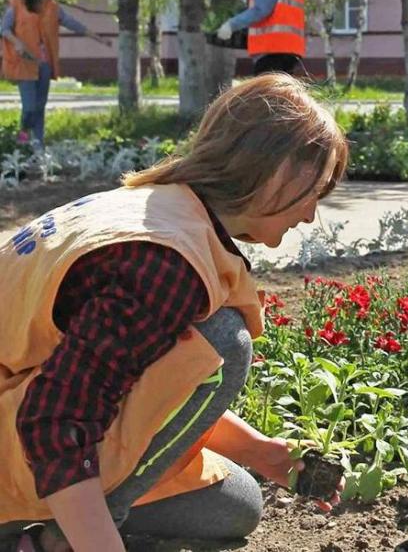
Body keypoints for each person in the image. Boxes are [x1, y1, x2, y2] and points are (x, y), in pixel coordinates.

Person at [0, 73, 348, 552]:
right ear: (273, 171)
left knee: (235, 504)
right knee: (224, 343)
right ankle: (50, 542)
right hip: (28, 440)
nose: (310, 214)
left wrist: (260, 454)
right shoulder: (163, 261)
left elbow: (139, 385)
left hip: (18, 419)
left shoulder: (165, 214)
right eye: (314, 190)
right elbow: (54, 420)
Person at [1, 0, 112, 150]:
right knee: (29, 108)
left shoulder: (53, 7)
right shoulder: (18, 2)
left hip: (44, 64)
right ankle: (22, 140)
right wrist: (17, 42)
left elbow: (73, 24)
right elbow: (3, 28)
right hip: (24, 63)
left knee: (40, 107)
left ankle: (38, 146)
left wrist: (99, 38)